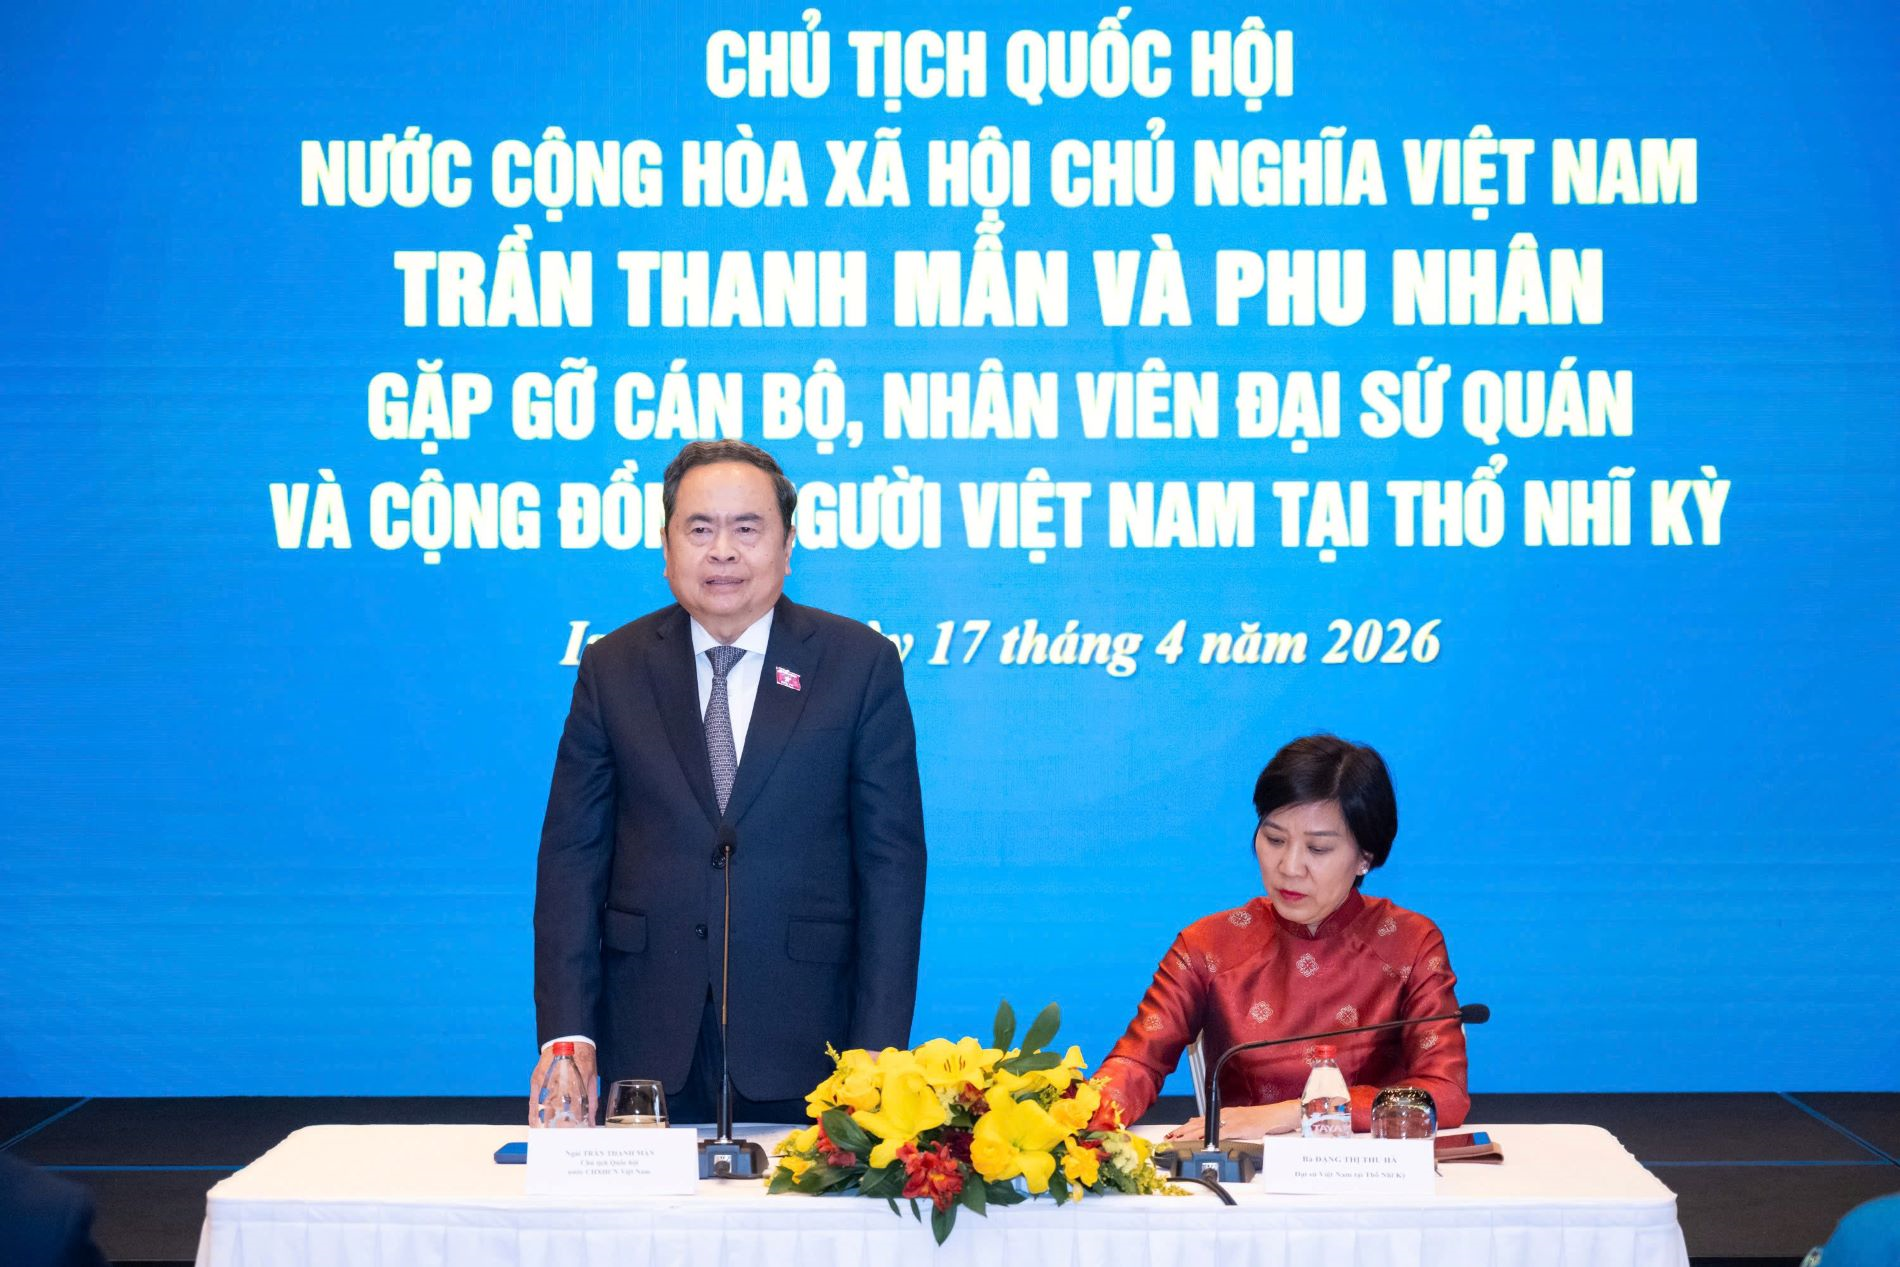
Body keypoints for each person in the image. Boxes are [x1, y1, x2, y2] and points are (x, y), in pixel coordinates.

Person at [530, 440, 927, 1124]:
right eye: (699, 528)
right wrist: (570, 1037)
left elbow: (892, 869)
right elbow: (572, 861)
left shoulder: (858, 664)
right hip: (644, 1049)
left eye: (747, 528)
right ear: (666, 546)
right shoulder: (613, 667)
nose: (722, 552)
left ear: (787, 545)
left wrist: (876, 1054)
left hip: (815, 1047)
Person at [1097, 734, 1468, 1137]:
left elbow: (1445, 1093)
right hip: (1245, 1170)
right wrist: (1071, 1122)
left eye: (1318, 849)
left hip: (1368, 1168)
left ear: (1365, 857)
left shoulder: (1409, 943)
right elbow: (1136, 1063)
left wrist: (1301, 1112)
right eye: (1274, 839)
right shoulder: (1208, 944)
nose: (1289, 867)